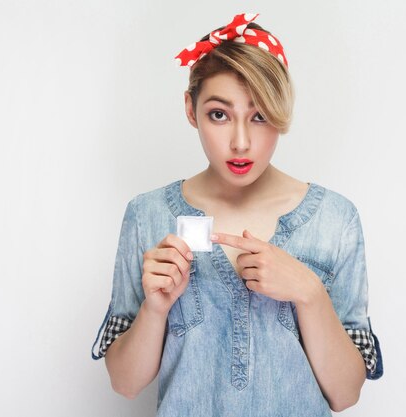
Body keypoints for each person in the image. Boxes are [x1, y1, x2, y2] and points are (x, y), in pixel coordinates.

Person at [91, 12, 383, 416]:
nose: (241, 142)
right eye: (219, 114)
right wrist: (154, 308)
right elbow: (125, 383)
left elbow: (346, 394)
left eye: (260, 115)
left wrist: (309, 293)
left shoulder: (335, 220)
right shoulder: (148, 214)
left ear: (281, 115)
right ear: (191, 111)